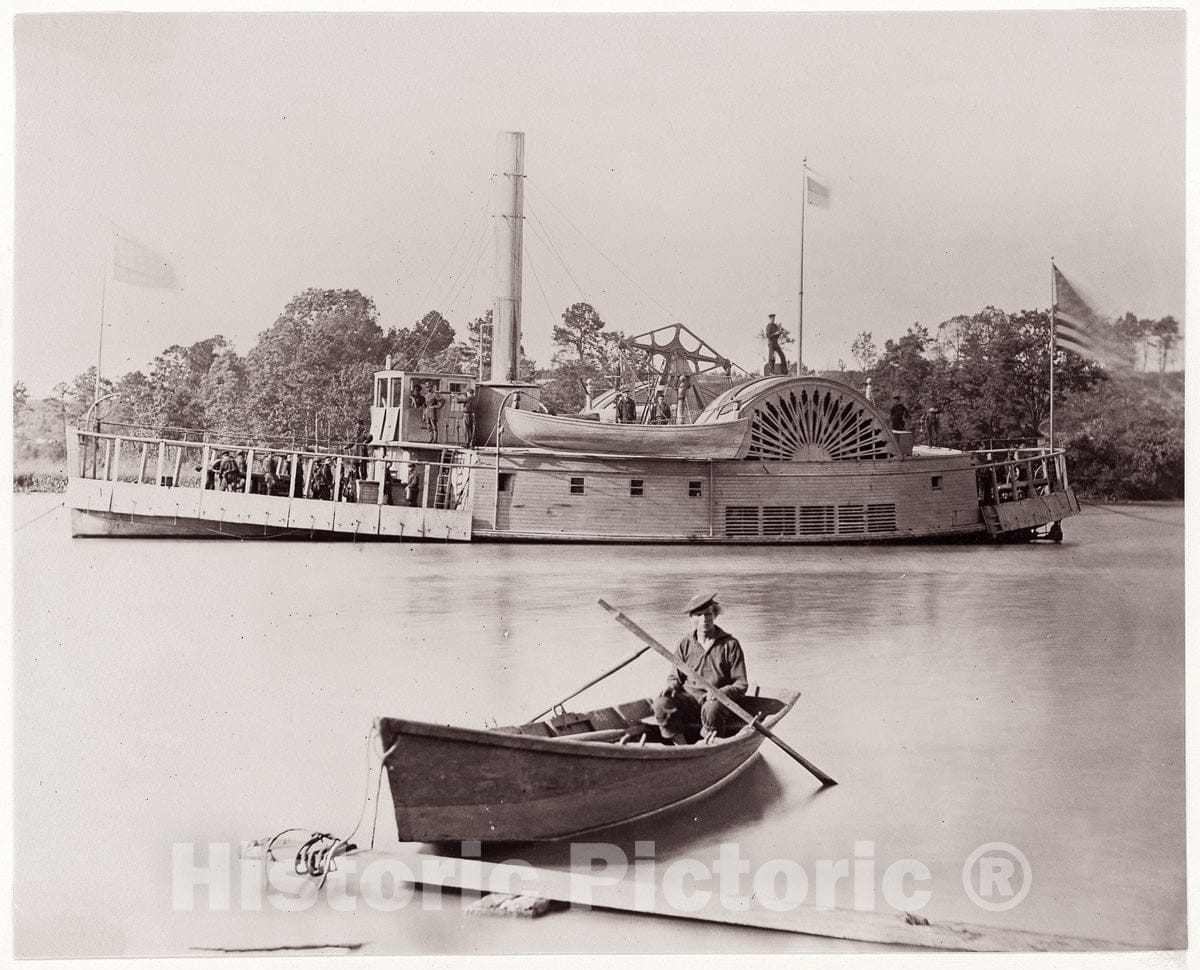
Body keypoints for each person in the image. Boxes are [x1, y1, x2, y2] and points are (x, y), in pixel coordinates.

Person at [652, 591, 749, 745]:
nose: (704, 619)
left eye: (708, 614)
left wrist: (721, 693)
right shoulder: (685, 644)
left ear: (715, 615)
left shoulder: (730, 645)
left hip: (717, 704)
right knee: (660, 703)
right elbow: (675, 677)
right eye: (699, 615)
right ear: (692, 618)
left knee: (712, 708)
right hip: (690, 701)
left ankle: (708, 745)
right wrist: (671, 686)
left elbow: (741, 684)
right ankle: (682, 747)